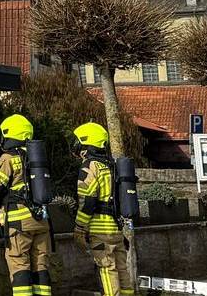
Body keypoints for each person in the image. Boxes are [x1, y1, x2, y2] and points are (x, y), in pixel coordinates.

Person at [0, 114, 52, 296]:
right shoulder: (38, 158)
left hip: (18, 224)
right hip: (42, 222)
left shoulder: (8, 159)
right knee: (40, 267)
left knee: (20, 265)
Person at [74, 122, 132, 296]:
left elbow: (88, 202)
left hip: (99, 232)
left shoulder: (90, 166)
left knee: (107, 270)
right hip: (116, 230)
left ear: (85, 142)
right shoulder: (112, 165)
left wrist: (79, 227)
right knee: (122, 271)